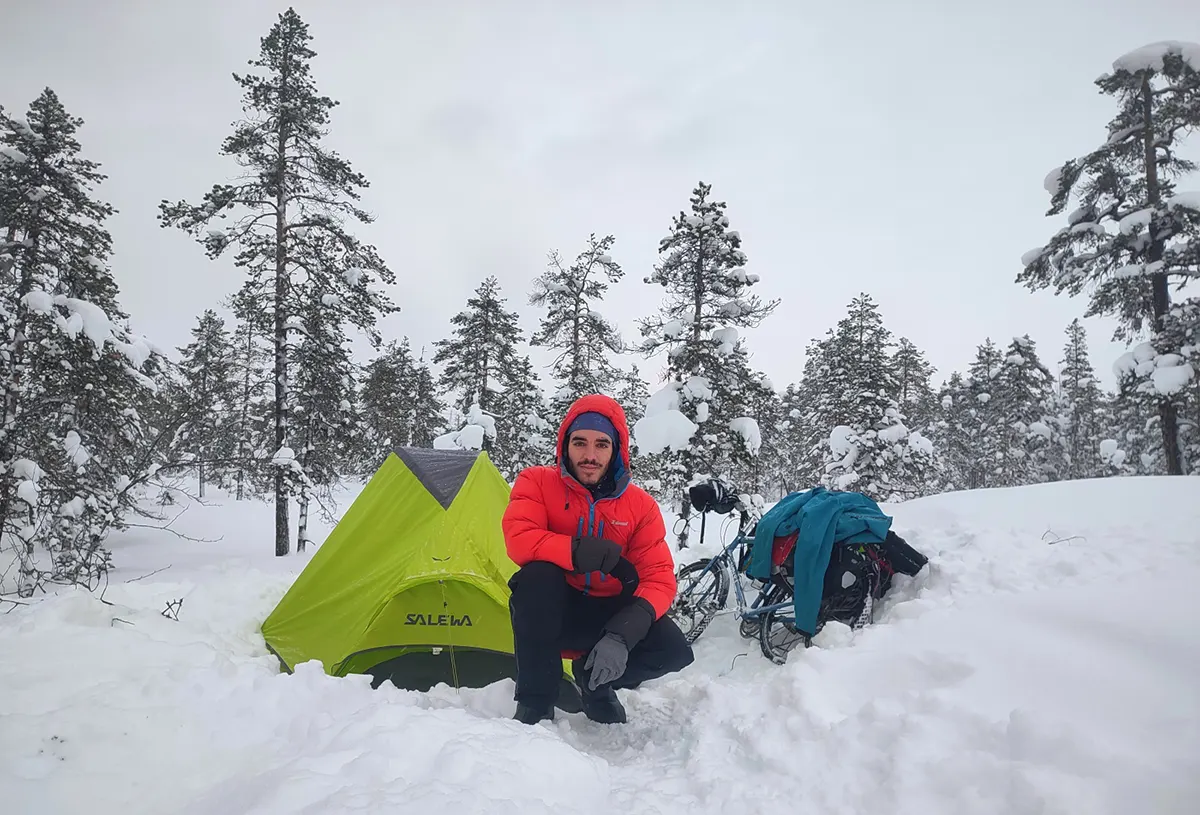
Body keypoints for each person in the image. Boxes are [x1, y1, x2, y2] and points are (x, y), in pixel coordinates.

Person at [501, 393, 695, 724]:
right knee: (535, 578)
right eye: (580, 443)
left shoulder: (640, 506)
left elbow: (659, 576)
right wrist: (575, 551)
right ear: (565, 445)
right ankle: (535, 701)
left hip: (608, 618)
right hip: (555, 613)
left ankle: (594, 683)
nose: (590, 455)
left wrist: (623, 634)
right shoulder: (537, 482)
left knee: (675, 650)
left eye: (602, 444)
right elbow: (519, 537)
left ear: (616, 449)